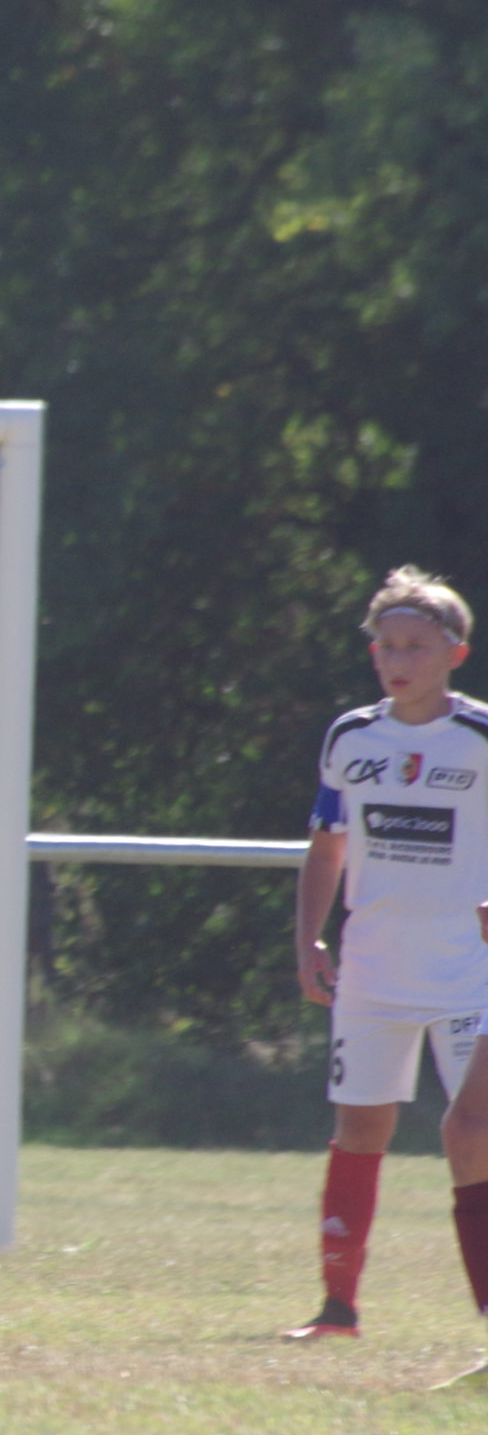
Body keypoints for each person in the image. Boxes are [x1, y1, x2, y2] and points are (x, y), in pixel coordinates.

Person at [288, 565, 488, 1383]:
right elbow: (326, 847)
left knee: (473, 1136)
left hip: (469, 973)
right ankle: (338, 1308)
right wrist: (310, 939)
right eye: (387, 646)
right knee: (360, 1130)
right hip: (373, 969)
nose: (398, 660)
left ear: (456, 654)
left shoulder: (479, 738)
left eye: (417, 646)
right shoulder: (352, 739)